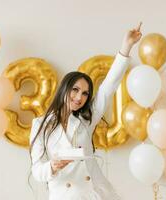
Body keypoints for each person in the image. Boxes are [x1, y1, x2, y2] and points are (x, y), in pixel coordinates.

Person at [29, 23, 142, 200]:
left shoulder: (86, 119)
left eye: (85, 93)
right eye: (75, 90)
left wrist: (126, 46)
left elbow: (108, 87)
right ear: (64, 89)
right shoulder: (40, 124)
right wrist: (52, 166)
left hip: (94, 193)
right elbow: (36, 170)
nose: (79, 97)